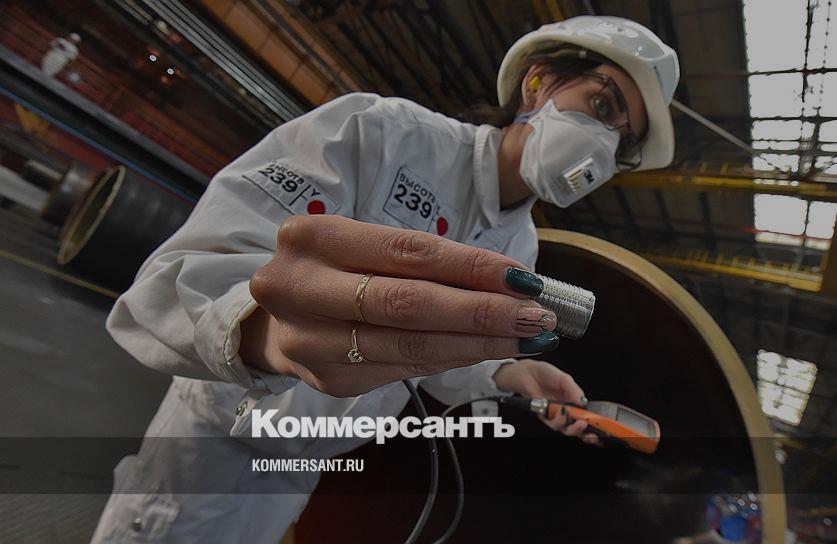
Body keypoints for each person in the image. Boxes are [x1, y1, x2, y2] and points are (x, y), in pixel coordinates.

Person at [92, 15, 678, 543]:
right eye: (603, 104)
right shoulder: (384, 134)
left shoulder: (521, 246)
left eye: (622, 138)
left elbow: (434, 357)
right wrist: (265, 335)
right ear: (538, 83)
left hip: (302, 471)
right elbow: (183, 274)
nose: (604, 141)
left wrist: (506, 372)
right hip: (212, 447)